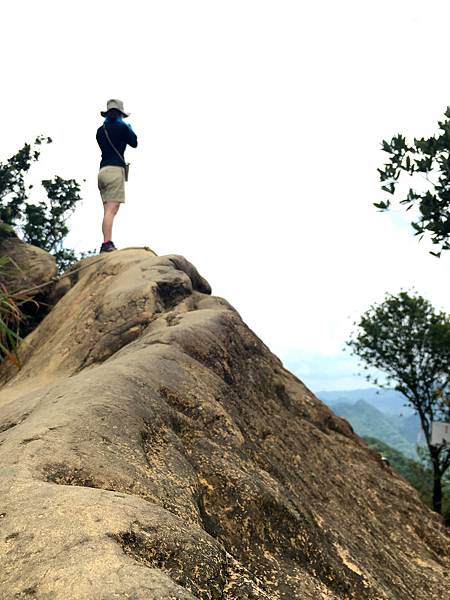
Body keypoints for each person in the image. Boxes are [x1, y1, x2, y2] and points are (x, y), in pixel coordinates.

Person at [96, 99, 138, 253]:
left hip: (102, 171)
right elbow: (134, 142)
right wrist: (129, 128)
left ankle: (106, 241)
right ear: (120, 114)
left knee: (107, 210)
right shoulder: (123, 128)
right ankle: (106, 244)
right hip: (115, 171)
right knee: (111, 211)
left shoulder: (101, 130)